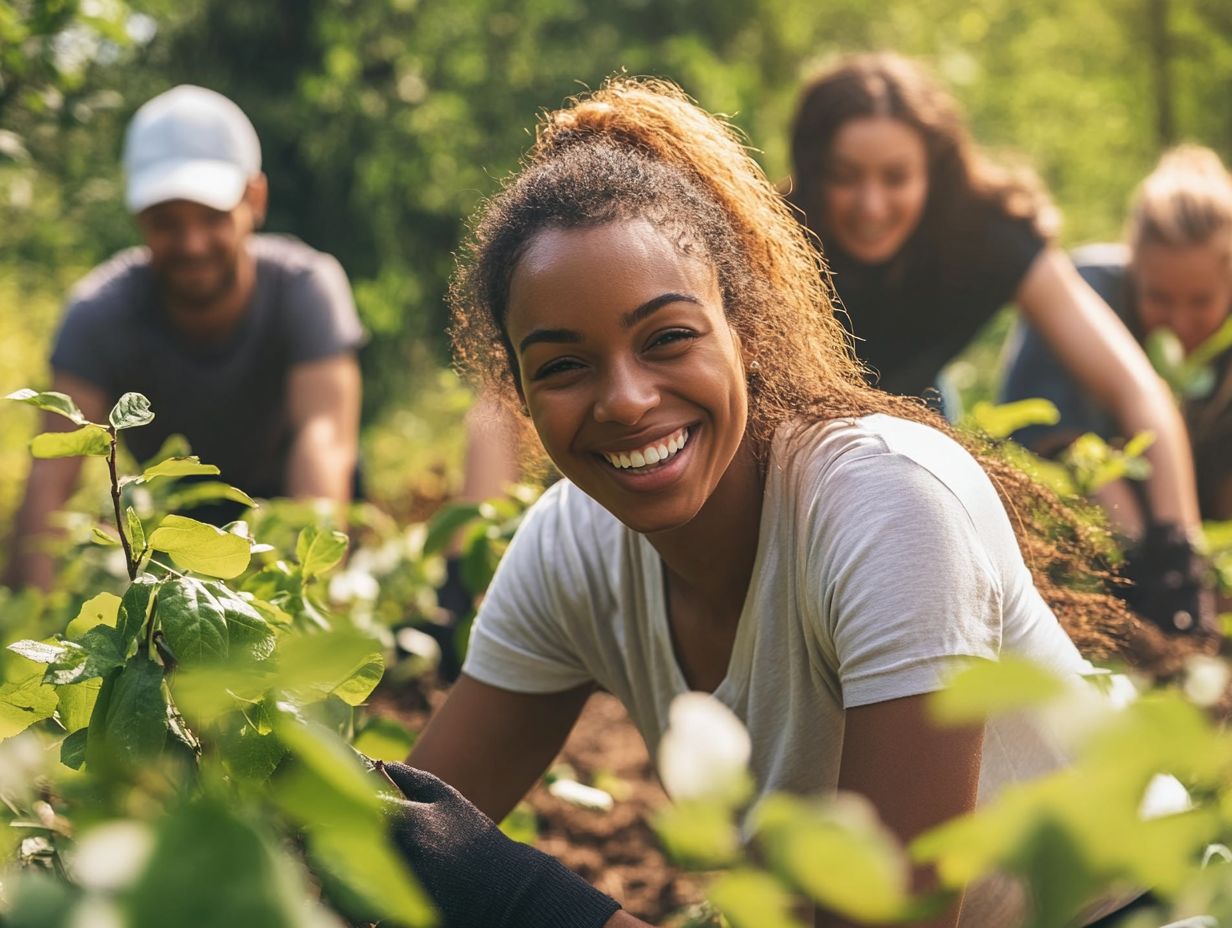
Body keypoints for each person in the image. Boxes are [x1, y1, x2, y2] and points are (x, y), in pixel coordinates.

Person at [389, 77, 1159, 928]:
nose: (626, 401)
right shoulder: (571, 548)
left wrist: (520, 899)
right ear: (518, 390)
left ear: (745, 330)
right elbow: (398, 843)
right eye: (564, 365)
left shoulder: (886, 505)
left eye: (668, 339)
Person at [785, 53, 1206, 623]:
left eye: (896, 177)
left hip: (920, 412)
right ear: (814, 169)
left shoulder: (985, 231)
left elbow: (1134, 386)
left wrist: (1178, 552)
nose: (871, 205)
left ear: (934, 171)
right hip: (802, 446)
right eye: (845, 177)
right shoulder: (776, 237)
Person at [5, 85, 364, 591]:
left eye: (213, 217)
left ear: (254, 199)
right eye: (166, 223)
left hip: (290, 507)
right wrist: (32, 632)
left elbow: (323, 444)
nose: (192, 244)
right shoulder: (99, 312)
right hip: (169, 526)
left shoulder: (305, 288)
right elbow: (49, 484)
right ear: (138, 217)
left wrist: (309, 597)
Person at [1001, 146, 1232, 631]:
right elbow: (1059, 442)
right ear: (1135, 267)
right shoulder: (1084, 293)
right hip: (1082, 535)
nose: (1179, 322)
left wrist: (1203, 580)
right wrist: (1141, 563)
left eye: (1201, 302)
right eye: (1160, 298)